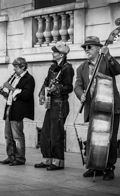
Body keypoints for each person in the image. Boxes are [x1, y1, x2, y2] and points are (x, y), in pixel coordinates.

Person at [74, 36, 120, 180]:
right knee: (93, 139)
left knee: (110, 139)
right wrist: (80, 94)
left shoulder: (106, 61)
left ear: (98, 48)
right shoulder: (81, 68)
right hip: (93, 108)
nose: (86, 50)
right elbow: (77, 86)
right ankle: (95, 166)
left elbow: (119, 70)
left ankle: (109, 167)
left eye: (89, 47)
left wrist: (108, 55)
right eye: (85, 47)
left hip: (110, 107)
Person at [34, 41, 74, 171]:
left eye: (55, 51)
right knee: (46, 132)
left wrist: (56, 88)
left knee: (56, 134)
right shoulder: (52, 67)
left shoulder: (67, 68)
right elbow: (46, 82)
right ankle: (47, 159)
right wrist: (41, 94)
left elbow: (69, 88)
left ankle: (58, 162)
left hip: (60, 103)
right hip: (51, 103)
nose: (53, 53)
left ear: (61, 54)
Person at [0, 57, 35, 166]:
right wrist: (3, 93)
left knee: (17, 136)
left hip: (18, 110)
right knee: (8, 135)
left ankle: (20, 158)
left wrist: (11, 88)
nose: (14, 70)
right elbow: (12, 96)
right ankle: (11, 156)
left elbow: (26, 95)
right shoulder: (15, 78)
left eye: (16, 67)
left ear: (23, 67)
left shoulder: (29, 79)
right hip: (9, 108)